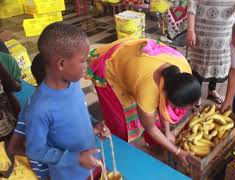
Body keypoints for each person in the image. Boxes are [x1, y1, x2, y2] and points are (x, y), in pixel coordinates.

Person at [87, 38, 201, 166]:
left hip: (136, 61)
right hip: (113, 67)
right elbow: (150, 127)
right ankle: (120, 156)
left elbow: (163, 106)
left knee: (153, 116)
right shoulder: (147, 90)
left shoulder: (184, 70)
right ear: (165, 94)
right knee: (121, 125)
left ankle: (155, 146)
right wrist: (178, 152)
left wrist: (168, 132)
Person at [25, 22, 109, 180]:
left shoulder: (74, 83)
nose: (87, 64)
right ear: (62, 64)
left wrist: (94, 123)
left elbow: (80, 112)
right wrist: (75, 158)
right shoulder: (40, 108)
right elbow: (35, 150)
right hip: (70, 175)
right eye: (83, 60)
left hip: (92, 163)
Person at [187, 0, 235, 105]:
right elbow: (192, 3)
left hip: (225, 30)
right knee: (199, 62)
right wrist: (190, 30)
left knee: (219, 60)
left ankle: (212, 90)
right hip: (203, 29)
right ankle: (196, 96)